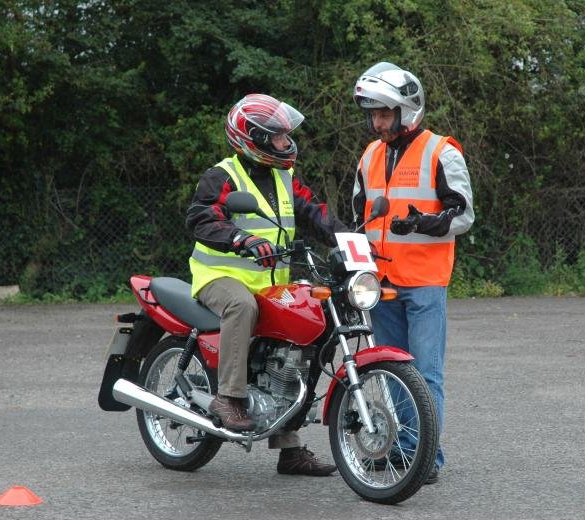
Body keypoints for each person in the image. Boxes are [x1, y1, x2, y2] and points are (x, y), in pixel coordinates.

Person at [186, 94, 347, 476]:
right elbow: (201, 219)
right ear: (252, 138)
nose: (285, 143)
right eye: (276, 138)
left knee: (313, 327)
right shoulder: (223, 175)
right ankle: (228, 398)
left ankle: (288, 447)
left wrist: (354, 240)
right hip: (221, 280)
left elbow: (318, 214)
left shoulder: (285, 178)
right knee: (243, 306)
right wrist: (241, 240)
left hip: (271, 284)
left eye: (285, 137)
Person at [351, 63, 474, 484]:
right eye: (373, 114)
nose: (377, 122)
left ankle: (426, 459)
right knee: (390, 374)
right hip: (379, 287)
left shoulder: (443, 152)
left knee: (424, 374)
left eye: (385, 114)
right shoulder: (369, 156)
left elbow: (464, 214)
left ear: (408, 110)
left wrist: (425, 223)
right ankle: (406, 451)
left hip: (424, 283)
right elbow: (359, 215)